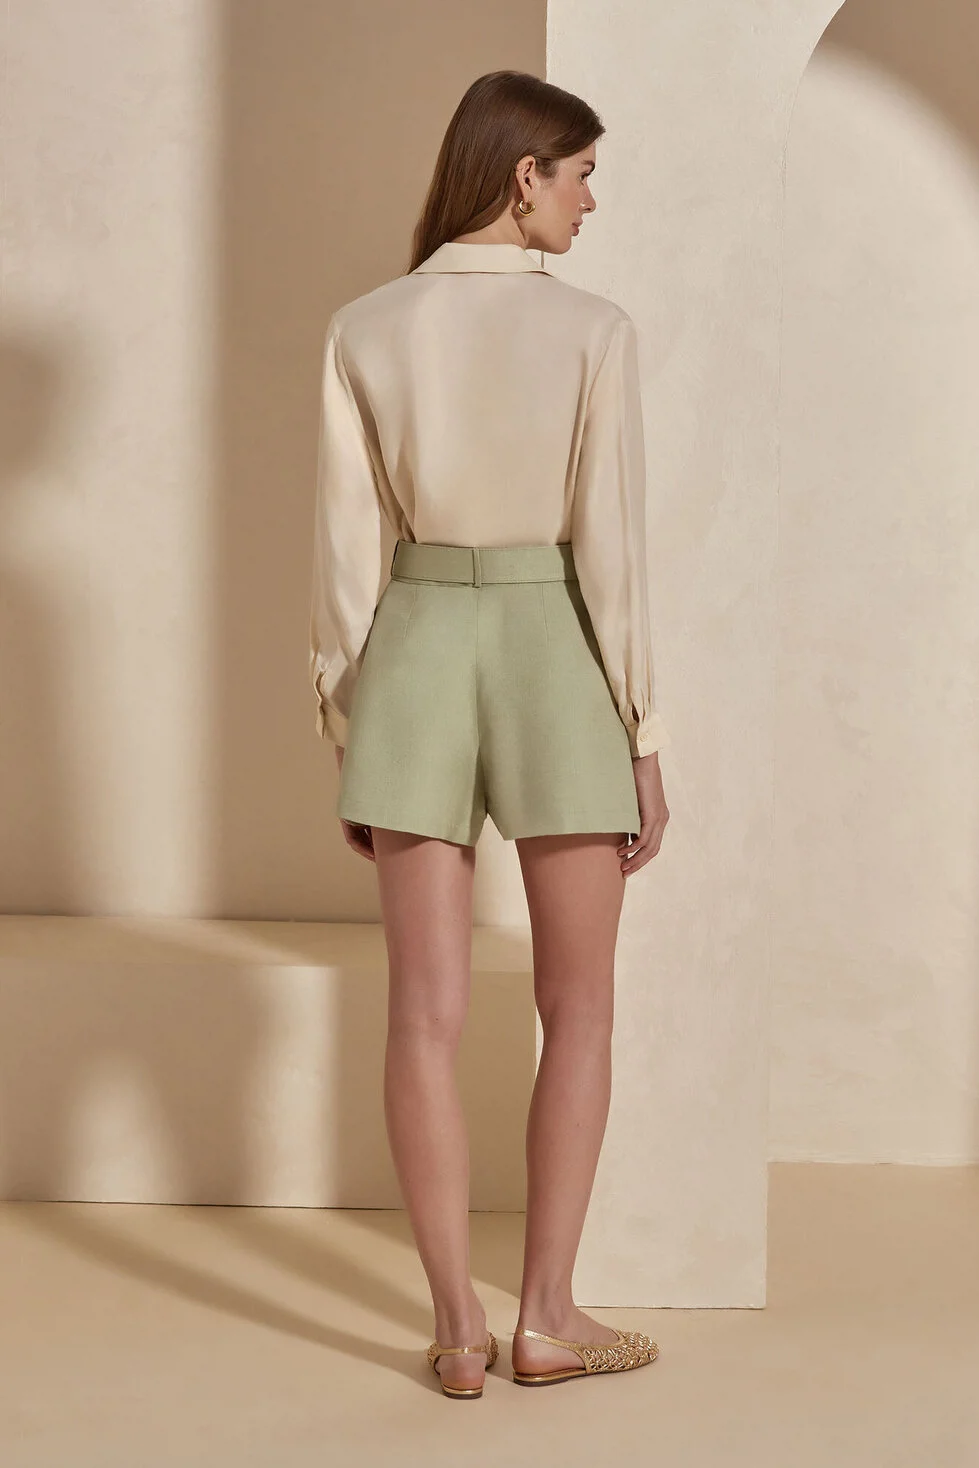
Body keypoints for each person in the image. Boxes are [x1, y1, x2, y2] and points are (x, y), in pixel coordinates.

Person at [308, 69, 670, 1398]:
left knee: (423, 1014)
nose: (590, 200)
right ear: (524, 175)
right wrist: (643, 734)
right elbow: (612, 550)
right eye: (580, 173)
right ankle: (547, 1318)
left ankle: (458, 1327)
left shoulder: (365, 325)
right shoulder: (591, 331)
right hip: (552, 643)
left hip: (410, 646)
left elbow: (344, 556)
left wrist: (351, 724)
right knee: (580, 1005)